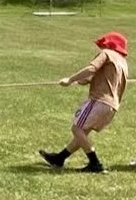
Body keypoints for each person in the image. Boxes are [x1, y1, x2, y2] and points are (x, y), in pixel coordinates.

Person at [41, 32, 129, 173]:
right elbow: (98, 77)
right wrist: (82, 80)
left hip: (100, 100)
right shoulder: (122, 62)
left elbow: (91, 69)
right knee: (82, 133)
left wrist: (70, 80)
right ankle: (59, 158)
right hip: (112, 106)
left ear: (110, 44)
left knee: (77, 129)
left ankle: (95, 163)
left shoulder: (107, 53)